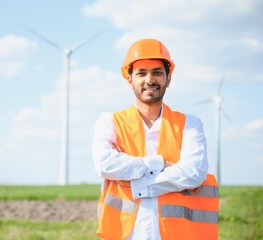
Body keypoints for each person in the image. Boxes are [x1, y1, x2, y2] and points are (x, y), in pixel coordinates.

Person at [92, 38, 219, 240]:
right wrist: (160, 163)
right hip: (126, 234)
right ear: (129, 79)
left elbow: (193, 173)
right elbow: (105, 164)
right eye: (141, 73)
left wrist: (138, 184)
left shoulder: (189, 124)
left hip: (177, 235)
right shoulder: (110, 122)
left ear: (168, 79)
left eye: (157, 73)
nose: (149, 79)